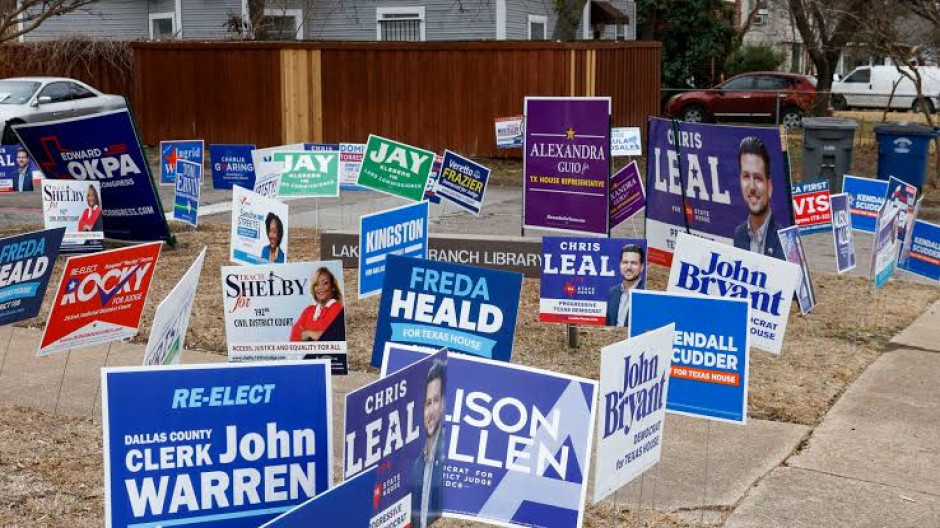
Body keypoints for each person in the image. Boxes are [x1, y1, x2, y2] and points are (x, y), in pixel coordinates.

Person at [732, 136, 785, 259]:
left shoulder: (784, 241)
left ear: (769, 187)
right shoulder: (739, 235)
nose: (751, 187)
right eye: (746, 177)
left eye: (757, 178)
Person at [410, 359, 446, 528]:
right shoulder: (415, 464)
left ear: (444, 403)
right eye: (427, 403)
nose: (431, 411)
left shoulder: (447, 458)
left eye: (436, 400)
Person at [289, 266, 345, 342]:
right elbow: (293, 338)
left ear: (333, 287)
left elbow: (331, 338)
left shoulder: (338, 309)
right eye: (316, 284)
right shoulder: (308, 310)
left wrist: (305, 333)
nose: (320, 287)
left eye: (325, 283)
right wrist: (310, 334)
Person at [606, 244, 646, 327]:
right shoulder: (612, 293)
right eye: (625, 262)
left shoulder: (646, 293)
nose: (628, 267)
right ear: (620, 265)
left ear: (641, 267)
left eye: (633, 263)